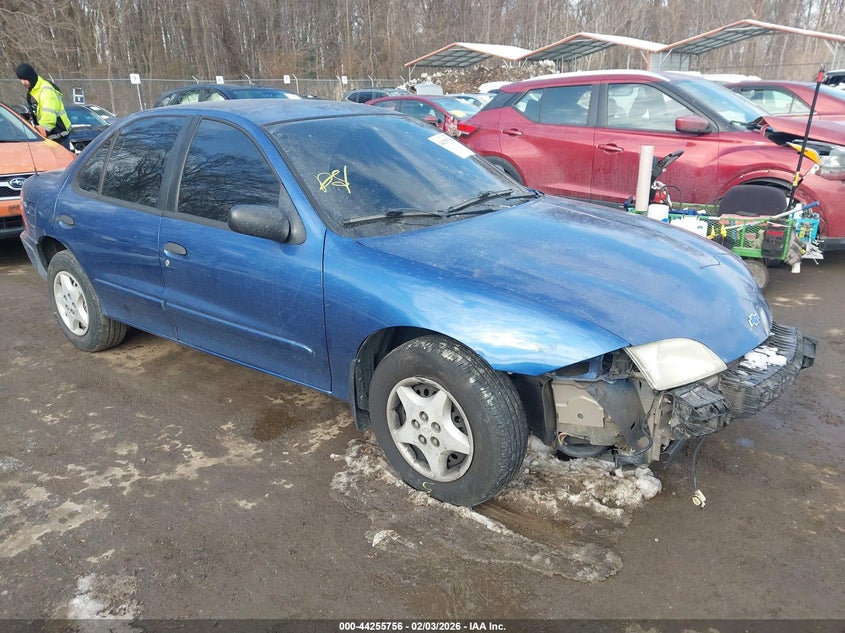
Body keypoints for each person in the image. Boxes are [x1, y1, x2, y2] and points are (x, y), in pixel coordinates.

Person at [14, 63, 72, 150]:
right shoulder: (34, 89)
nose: (22, 82)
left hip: (58, 136)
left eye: (25, 79)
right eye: (20, 79)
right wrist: (30, 116)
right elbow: (39, 110)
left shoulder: (46, 90)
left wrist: (39, 132)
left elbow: (49, 115)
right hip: (51, 137)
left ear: (31, 77)